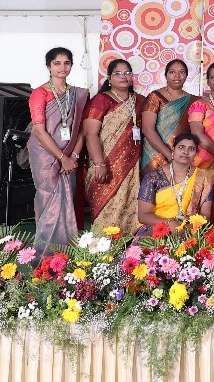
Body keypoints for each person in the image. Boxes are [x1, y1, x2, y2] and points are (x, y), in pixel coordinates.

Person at [28, 47, 89, 248]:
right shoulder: (40, 93)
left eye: (66, 63)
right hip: (45, 154)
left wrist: (74, 156)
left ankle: (66, 248)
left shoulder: (78, 94)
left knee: (68, 196)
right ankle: (45, 248)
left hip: (71, 154)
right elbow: (39, 131)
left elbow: (81, 130)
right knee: (48, 196)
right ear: (49, 66)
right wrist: (63, 158)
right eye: (57, 63)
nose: (62, 67)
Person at [82, 58, 143, 235]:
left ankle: (129, 247)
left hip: (132, 167)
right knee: (106, 212)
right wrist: (99, 164)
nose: (123, 77)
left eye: (127, 73)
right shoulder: (101, 100)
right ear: (109, 78)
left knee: (131, 209)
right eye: (118, 73)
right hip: (105, 164)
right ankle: (103, 247)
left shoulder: (140, 101)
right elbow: (90, 134)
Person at [136, 133, 214, 231]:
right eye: (181, 147)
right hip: (157, 229)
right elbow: (143, 216)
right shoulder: (153, 177)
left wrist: (188, 229)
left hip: (190, 230)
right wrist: (170, 223)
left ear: (195, 154)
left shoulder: (203, 178)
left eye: (191, 149)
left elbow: (205, 217)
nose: (185, 152)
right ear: (173, 150)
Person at [140, 59, 194, 173]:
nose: (177, 76)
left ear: (186, 76)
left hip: (182, 155)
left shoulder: (193, 100)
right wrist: (170, 156)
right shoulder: (155, 97)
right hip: (154, 155)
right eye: (172, 72)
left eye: (181, 72)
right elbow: (147, 130)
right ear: (166, 75)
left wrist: (178, 157)